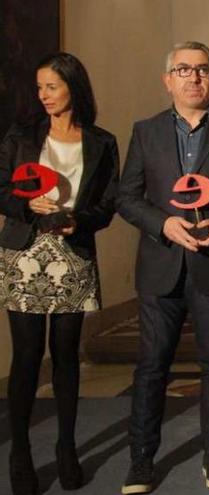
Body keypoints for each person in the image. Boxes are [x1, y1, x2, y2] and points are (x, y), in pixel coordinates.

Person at [116, 41, 209, 494]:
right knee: (151, 366)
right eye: (183, 69)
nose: (193, 77)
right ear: (168, 79)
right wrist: (163, 223)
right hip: (161, 265)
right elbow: (126, 196)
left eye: (203, 69)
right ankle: (141, 460)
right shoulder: (145, 131)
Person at [0, 51, 118, 495]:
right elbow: (0, 188)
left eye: (51, 86)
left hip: (73, 252)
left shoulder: (102, 141)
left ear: (73, 85)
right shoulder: (22, 135)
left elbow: (107, 204)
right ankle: (21, 454)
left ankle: (67, 449)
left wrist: (79, 221)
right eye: (39, 87)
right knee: (28, 357)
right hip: (25, 253)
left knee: (66, 356)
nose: (43, 95)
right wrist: (24, 204)